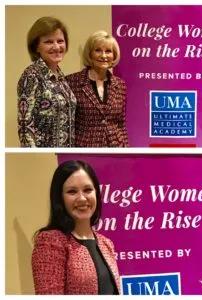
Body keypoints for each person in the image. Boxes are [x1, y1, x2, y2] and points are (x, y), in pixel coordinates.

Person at [32, 160, 120, 294]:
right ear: (60, 198)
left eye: (88, 190)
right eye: (72, 191)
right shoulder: (50, 242)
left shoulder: (106, 243)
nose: (82, 198)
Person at [17, 17, 76, 147]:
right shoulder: (31, 75)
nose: (56, 47)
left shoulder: (60, 76)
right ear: (36, 47)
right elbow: (25, 126)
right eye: (49, 42)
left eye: (60, 41)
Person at [66, 30, 129, 147]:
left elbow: (121, 124)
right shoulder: (71, 82)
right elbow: (67, 123)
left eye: (108, 51)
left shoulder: (120, 85)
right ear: (90, 54)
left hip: (116, 148)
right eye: (98, 50)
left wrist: (125, 149)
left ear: (114, 55)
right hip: (85, 148)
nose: (104, 55)